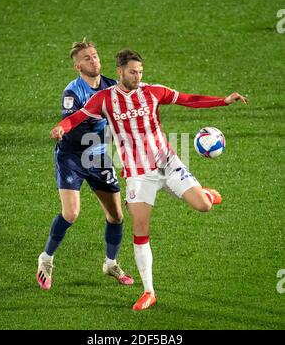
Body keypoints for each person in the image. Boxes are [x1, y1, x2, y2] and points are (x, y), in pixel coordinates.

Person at [50, 49, 248, 310]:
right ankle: (149, 291)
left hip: (167, 164)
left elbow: (188, 99)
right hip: (138, 175)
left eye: (140, 71)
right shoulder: (105, 100)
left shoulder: (153, 92)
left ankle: (205, 194)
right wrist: (62, 127)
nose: (138, 76)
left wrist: (223, 100)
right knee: (140, 230)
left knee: (204, 206)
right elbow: (79, 116)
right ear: (120, 71)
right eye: (133, 72)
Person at [37, 40, 134, 291]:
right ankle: (46, 258)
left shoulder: (113, 86)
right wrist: (62, 129)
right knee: (71, 213)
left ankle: (110, 263)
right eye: (88, 58)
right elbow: (72, 123)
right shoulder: (73, 92)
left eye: (95, 55)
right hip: (72, 157)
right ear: (77, 66)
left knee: (116, 216)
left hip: (99, 157)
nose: (95, 60)